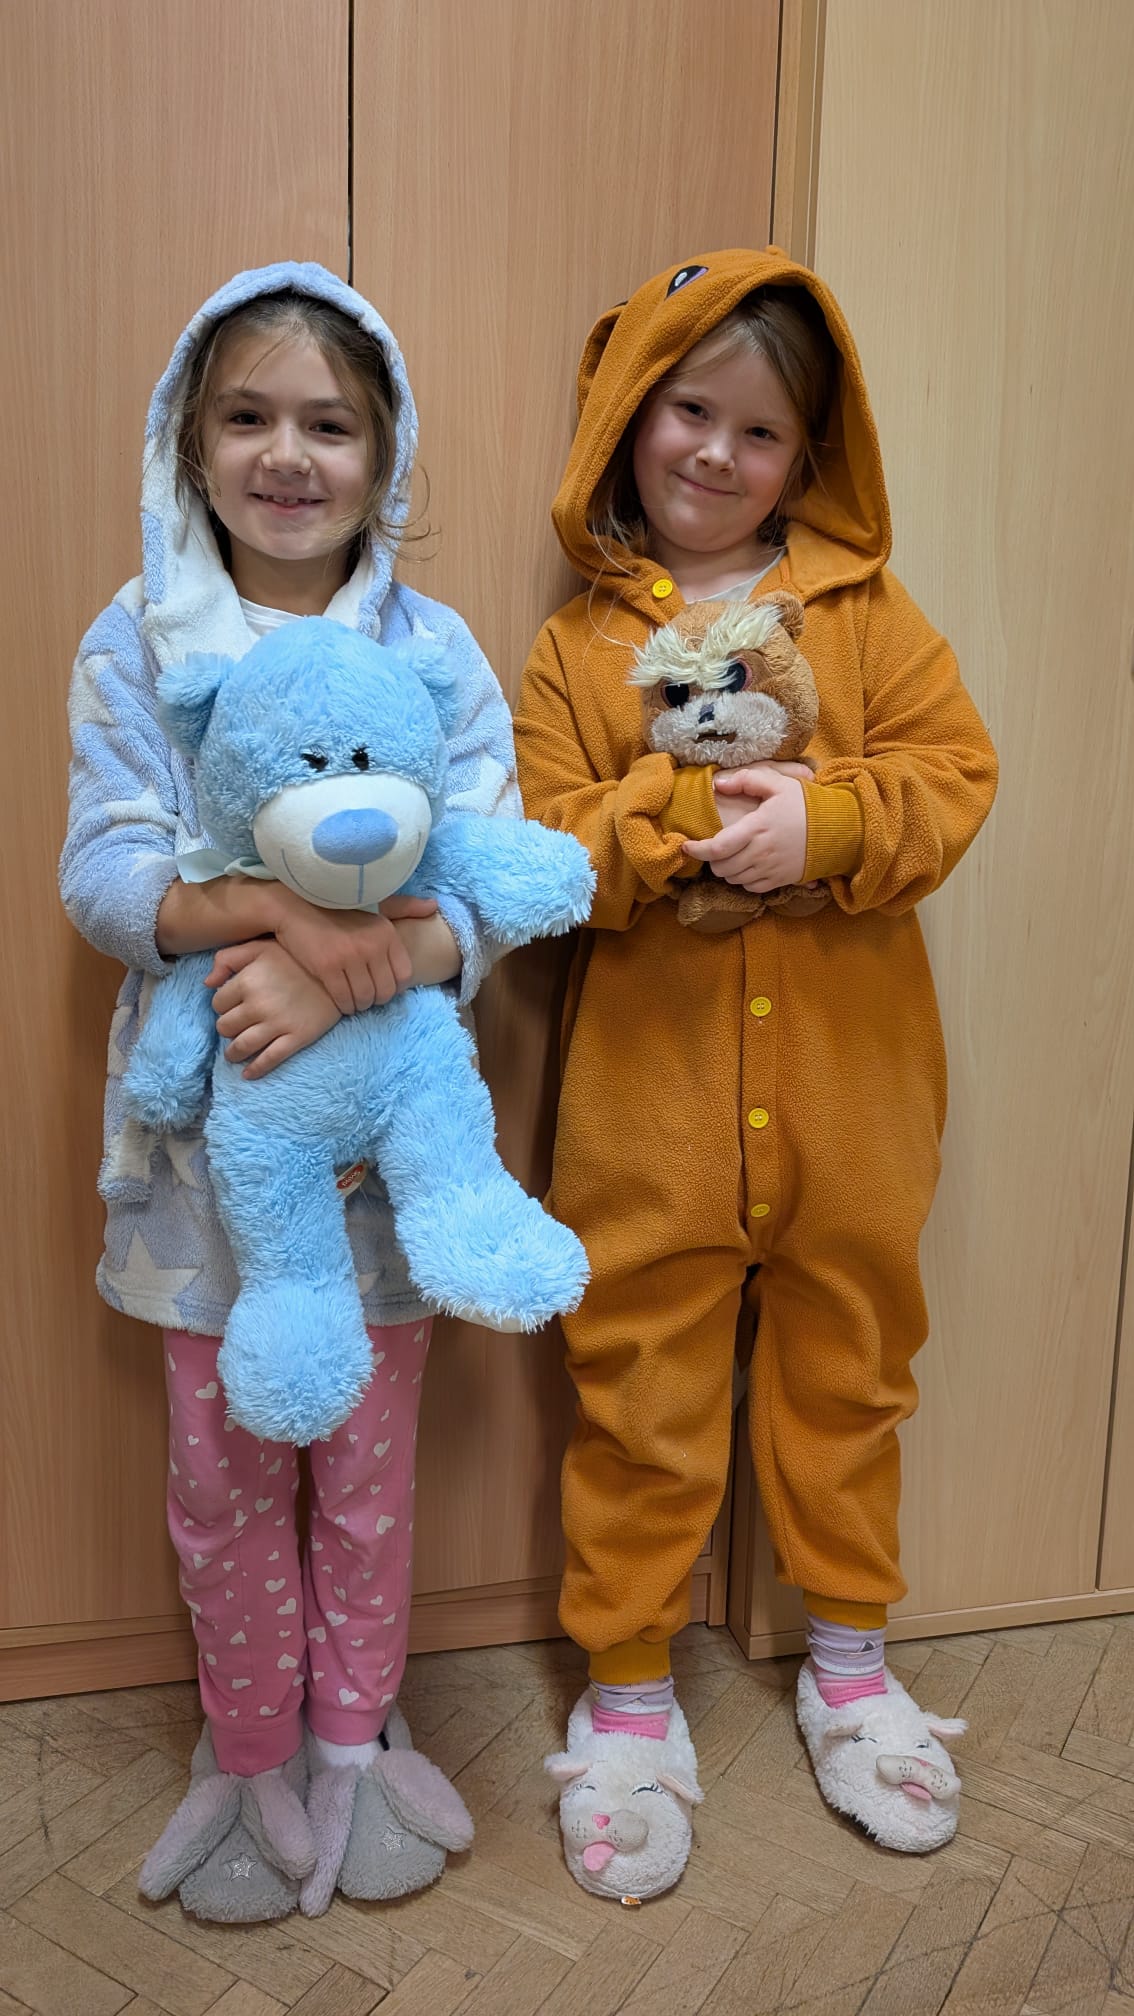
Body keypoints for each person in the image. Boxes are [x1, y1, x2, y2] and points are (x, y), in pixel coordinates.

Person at [514, 248, 997, 1885]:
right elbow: (538, 852)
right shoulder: (574, 650)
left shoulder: (866, 617)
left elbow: (953, 774)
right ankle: (627, 1695)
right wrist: (667, 810)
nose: (715, 454)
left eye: (762, 432)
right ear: (627, 416)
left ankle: (849, 1667)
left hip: (857, 1110)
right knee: (635, 1399)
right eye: (686, 411)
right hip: (641, 1126)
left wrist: (833, 820)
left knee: (850, 1381)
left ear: (808, 457)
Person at [60, 261, 520, 1920]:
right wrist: (270, 914)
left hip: (388, 1168)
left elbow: (491, 877)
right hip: (210, 1175)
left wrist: (360, 964)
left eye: (329, 424)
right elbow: (105, 875)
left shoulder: (434, 648)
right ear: (189, 443)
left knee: (367, 1475)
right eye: (246, 417)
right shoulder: (136, 638)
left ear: (384, 452)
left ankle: (352, 1737)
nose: (287, 455)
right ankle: (247, 1748)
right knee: (225, 1475)